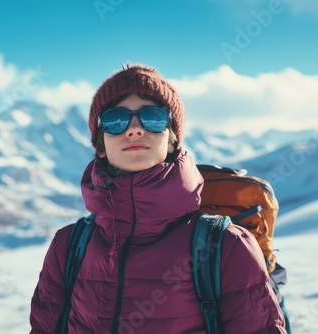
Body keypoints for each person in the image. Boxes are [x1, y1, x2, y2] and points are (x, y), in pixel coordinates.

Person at [30, 64, 286, 333]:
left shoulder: (227, 247)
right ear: (101, 145)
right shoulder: (67, 247)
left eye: (152, 117)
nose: (134, 130)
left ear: (173, 140)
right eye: (115, 120)